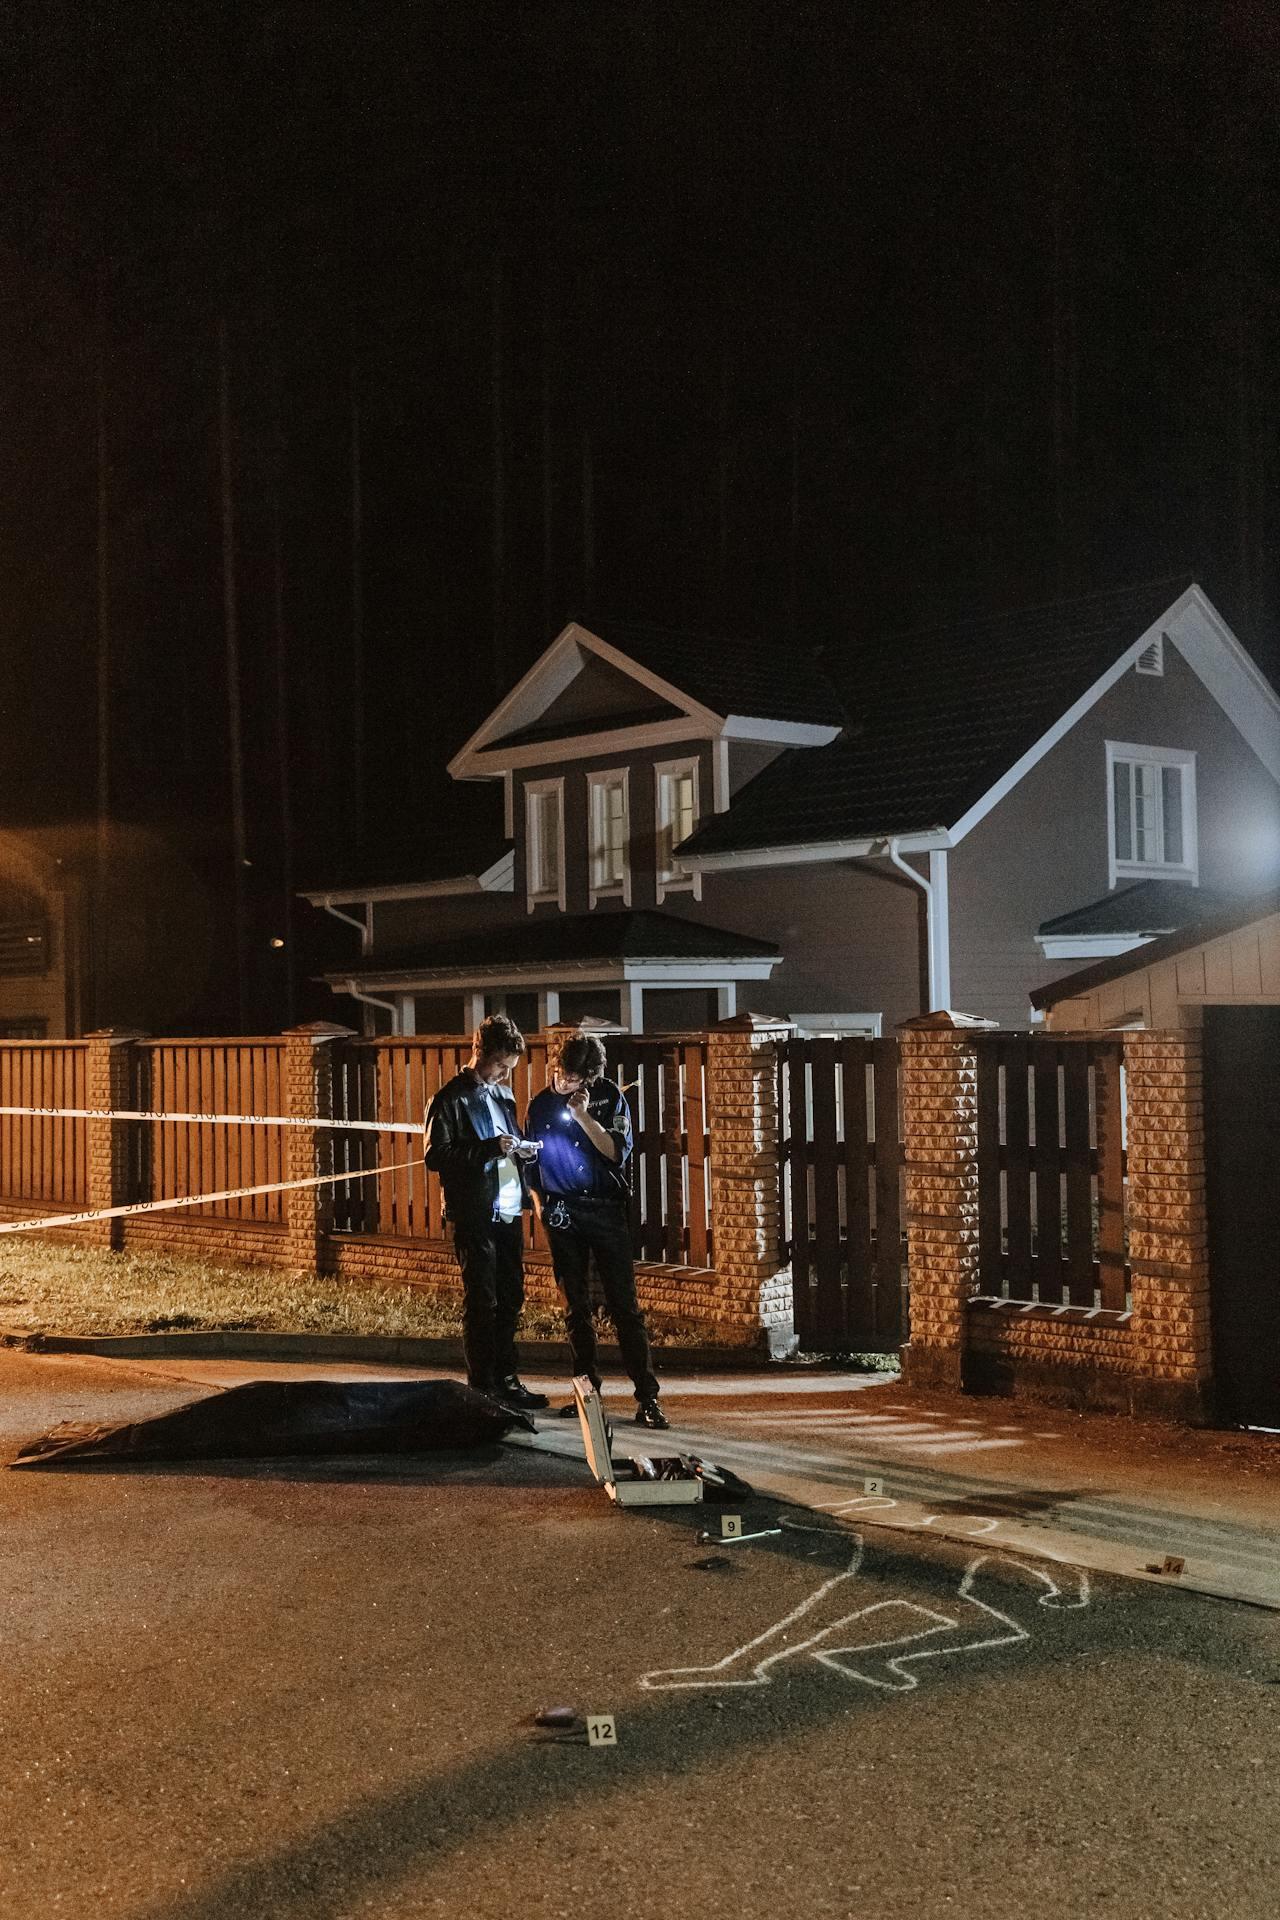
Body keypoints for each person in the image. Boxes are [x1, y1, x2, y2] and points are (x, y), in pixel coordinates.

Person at [524, 1029, 668, 1430]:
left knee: (625, 1307)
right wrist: (539, 1205)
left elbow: (616, 1152)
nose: (570, 1084)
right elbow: (530, 1164)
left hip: (605, 1210)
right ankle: (586, 1395)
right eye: (566, 1075)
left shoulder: (608, 1096)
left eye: (579, 1079)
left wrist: (584, 1115)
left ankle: (647, 1397)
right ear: (556, 1066)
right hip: (561, 1213)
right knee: (576, 1308)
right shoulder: (539, 1105)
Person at [423, 1013, 548, 1413]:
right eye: (499, 1066)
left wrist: (521, 1149)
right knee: (483, 1299)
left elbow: (505, 1145)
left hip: (508, 1208)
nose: (502, 1075)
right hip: (474, 1211)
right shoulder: (449, 1099)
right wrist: (491, 1148)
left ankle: (507, 1379)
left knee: (511, 1295)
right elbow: (435, 1156)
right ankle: (483, 1386)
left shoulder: (503, 1097)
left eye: (509, 1069)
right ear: (479, 1052)